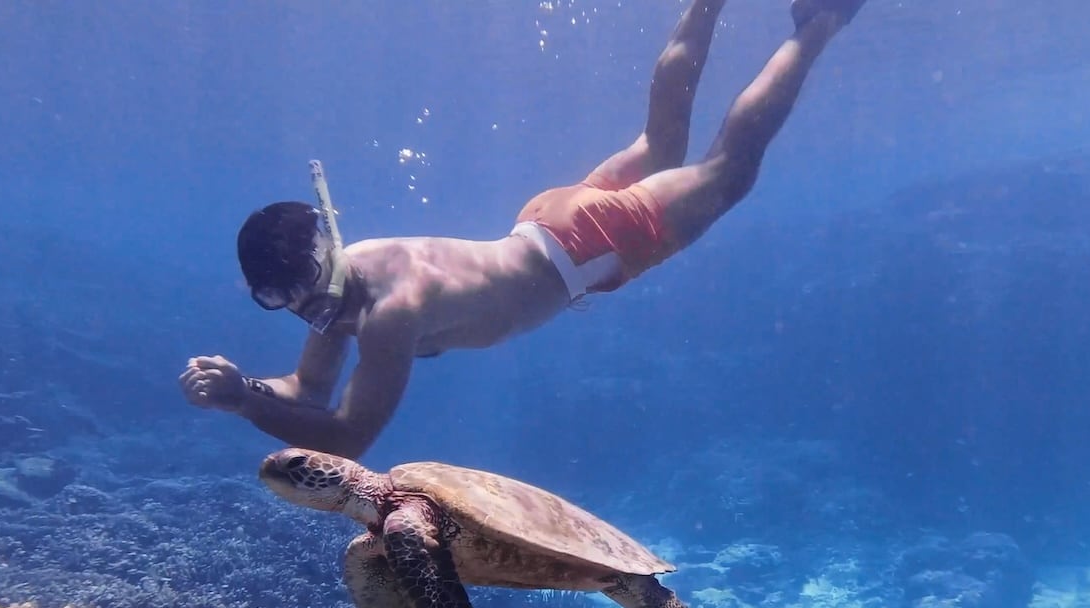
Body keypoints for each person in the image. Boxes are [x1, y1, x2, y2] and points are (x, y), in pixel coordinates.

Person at [181, 0, 867, 458]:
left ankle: (823, 20)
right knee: (661, 141)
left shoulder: (391, 314)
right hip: (548, 225)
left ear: (322, 251)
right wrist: (250, 389)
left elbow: (349, 435)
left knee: (729, 169)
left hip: (583, 247)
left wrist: (246, 404)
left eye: (301, 288)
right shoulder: (340, 283)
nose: (304, 307)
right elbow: (309, 391)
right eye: (279, 301)